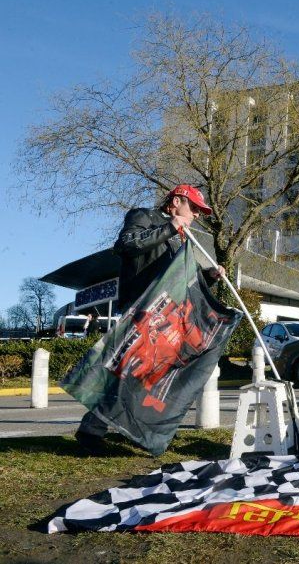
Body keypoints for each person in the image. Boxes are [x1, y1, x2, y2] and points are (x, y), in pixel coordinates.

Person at [74, 184, 223, 455]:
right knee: (127, 372)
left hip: (164, 316)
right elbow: (126, 245)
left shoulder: (181, 237)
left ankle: (127, 431)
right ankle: (91, 431)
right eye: (195, 208)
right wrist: (170, 228)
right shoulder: (143, 216)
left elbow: (183, 278)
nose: (198, 216)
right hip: (140, 309)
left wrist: (208, 277)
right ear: (177, 202)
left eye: (201, 212)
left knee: (148, 378)